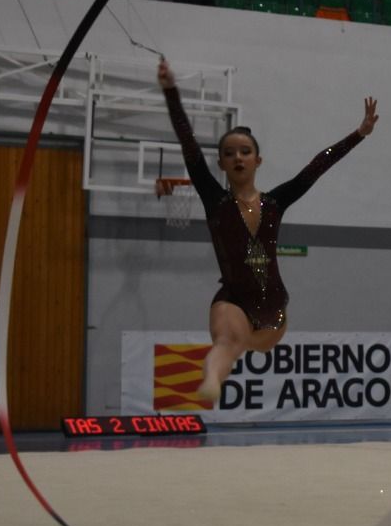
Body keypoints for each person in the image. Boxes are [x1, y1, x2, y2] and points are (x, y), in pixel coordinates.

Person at [157, 57, 376, 406]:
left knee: (240, 341)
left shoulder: (276, 202)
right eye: (229, 154)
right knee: (227, 341)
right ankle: (212, 378)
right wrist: (171, 93)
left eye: (245, 152)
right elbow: (188, 144)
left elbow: (318, 165)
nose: (238, 158)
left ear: (258, 160)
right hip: (233, 297)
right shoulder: (214, 199)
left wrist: (359, 134)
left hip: (272, 308)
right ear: (222, 164)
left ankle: (224, 361)